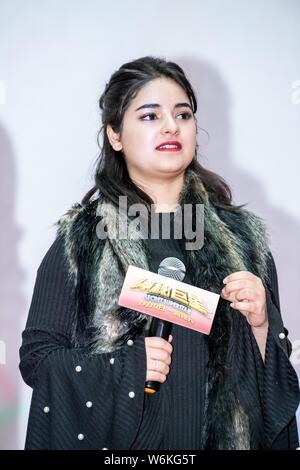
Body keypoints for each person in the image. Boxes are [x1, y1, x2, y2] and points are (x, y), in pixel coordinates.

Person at [19, 56, 299, 450]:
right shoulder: (82, 240)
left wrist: (262, 327)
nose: (171, 126)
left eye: (182, 114)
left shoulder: (244, 242)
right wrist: (127, 369)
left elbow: (277, 384)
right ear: (115, 135)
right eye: (150, 116)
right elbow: (37, 359)